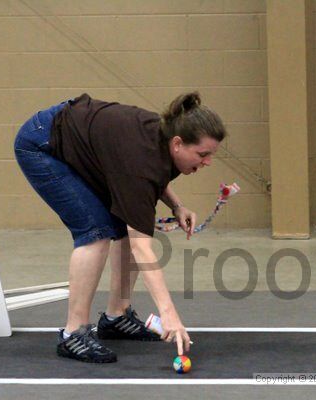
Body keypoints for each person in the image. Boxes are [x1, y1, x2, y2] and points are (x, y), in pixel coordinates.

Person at [14, 92, 226, 363]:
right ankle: (73, 334)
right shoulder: (143, 157)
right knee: (95, 232)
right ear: (178, 144)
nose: (207, 162)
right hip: (41, 144)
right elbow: (142, 247)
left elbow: (149, 177)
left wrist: (176, 206)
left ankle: (116, 316)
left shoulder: (164, 140)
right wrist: (169, 313)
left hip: (81, 138)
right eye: (203, 154)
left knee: (128, 224)